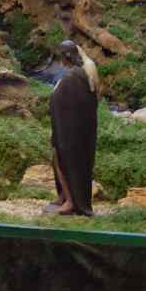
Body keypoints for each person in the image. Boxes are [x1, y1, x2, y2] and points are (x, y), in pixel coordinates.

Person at [45, 41, 98, 217]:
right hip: (69, 129)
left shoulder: (74, 77)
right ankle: (64, 196)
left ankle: (71, 201)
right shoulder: (77, 75)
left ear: (66, 57)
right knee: (59, 159)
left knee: (66, 162)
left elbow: (74, 104)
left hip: (71, 131)